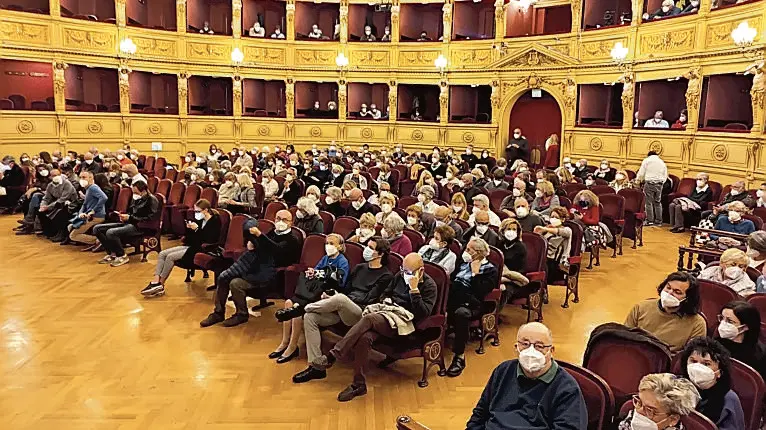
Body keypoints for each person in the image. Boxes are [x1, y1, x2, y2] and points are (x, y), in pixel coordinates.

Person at [309, 252, 438, 402]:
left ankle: (333, 355)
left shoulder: (429, 286)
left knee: (369, 319)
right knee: (365, 338)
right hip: (387, 314)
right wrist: (387, 300)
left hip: (404, 324)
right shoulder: (399, 276)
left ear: (420, 271)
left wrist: (414, 291)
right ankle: (359, 384)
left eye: (408, 272)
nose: (404, 274)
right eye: (403, 270)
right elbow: (385, 294)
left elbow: (422, 314)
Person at [293, 237, 393, 383]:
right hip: (343, 307)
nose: (367, 250)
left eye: (371, 248)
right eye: (367, 246)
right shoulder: (359, 268)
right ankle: (316, 367)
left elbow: (369, 298)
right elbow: (346, 289)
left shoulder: (386, 275)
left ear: (381, 254)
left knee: (339, 300)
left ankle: (303, 308)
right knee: (310, 317)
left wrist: (340, 299)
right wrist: (331, 295)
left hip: (360, 313)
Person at [467, 322, 588, 429]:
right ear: (516, 347)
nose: (531, 351)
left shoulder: (567, 389)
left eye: (539, 346)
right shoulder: (503, 371)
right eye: (525, 344)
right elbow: (479, 415)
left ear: (551, 351)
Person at [200, 211, 301, 328]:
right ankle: (218, 313)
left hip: (270, 274)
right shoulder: (272, 232)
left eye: (284, 220)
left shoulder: (292, 239)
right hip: (254, 266)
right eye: (278, 218)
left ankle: (241, 314)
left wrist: (260, 236)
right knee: (223, 277)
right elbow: (261, 245)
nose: (280, 222)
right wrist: (252, 243)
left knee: (235, 283)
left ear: (291, 222)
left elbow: (276, 250)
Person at [272, 234, 350, 364]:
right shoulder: (325, 258)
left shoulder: (342, 261)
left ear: (340, 246)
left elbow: (339, 281)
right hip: (312, 291)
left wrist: (319, 274)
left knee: (296, 308)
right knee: (288, 303)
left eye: (332, 243)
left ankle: (292, 346)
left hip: (326, 295)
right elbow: (316, 271)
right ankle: (285, 342)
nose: (328, 246)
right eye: (327, 243)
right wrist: (311, 272)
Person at [140, 199, 221, 297]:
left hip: (203, 249)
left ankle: (160, 285)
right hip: (192, 246)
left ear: (206, 210)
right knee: (162, 254)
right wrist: (189, 229)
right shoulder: (200, 221)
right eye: (195, 211)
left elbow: (208, 239)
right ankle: (155, 281)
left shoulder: (215, 221)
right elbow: (191, 238)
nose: (196, 214)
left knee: (170, 257)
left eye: (198, 211)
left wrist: (196, 229)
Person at [446, 238, 498, 377]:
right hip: (453, 298)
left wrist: (475, 274)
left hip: (472, 304)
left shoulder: (490, 270)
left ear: (479, 253)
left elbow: (481, 292)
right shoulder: (463, 263)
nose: (465, 252)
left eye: (469, 250)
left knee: (461, 313)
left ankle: (459, 357)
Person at [624, 271, 706, 353]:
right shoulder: (640, 308)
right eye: (668, 287)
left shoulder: (697, 324)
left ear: (687, 299)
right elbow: (624, 338)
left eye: (677, 292)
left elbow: (690, 357)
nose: (669, 293)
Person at [678, 337, 746, 430]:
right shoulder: (677, 385)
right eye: (693, 361)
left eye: (706, 364)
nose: (697, 367)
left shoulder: (729, 399)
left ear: (719, 372)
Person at [92, 181, 159, 267]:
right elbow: (132, 213)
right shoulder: (137, 199)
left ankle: (122, 255)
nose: (134, 194)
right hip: (130, 223)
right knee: (97, 229)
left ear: (144, 191)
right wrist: (125, 217)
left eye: (136, 192)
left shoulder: (152, 200)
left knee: (111, 232)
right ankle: (112, 253)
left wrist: (130, 218)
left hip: (141, 226)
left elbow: (150, 219)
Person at [616, 373, 700, 430]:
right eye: (639, 403)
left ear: (672, 419)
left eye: (650, 410)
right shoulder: (627, 423)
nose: (639, 412)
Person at [716, 301, 766, 381]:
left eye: (730, 321)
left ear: (744, 327)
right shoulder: (716, 343)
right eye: (722, 318)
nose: (723, 324)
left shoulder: (758, 356)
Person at [66, 171, 107, 246]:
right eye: (80, 177)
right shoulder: (88, 188)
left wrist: (93, 210)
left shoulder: (93, 188)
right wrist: (81, 213)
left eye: (84, 177)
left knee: (73, 236)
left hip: (96, 217)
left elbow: (104, 198)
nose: (81, 179)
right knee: (70, 227)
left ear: (91, 178)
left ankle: (99, 241)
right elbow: (85, 204)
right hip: (88, 216)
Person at [534, 207, 572, 284]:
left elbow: (559, 231)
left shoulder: (567, 230)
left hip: (557, 264)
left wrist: (545, 229)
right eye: (552, 217)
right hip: (545, 259)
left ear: (563, 219)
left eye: (556, 217)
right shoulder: (547, 230)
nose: (553, 219)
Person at [637, 150, 669, 226]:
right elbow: (665, 175)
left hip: (649, 183)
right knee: (657, 202)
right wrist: (661, 183)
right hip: (659, 184)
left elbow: (641, 173)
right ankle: (659, 221)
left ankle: (649, 220)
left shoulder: (647, 160)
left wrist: (638, 179)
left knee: (648, 202)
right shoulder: (662, 162)